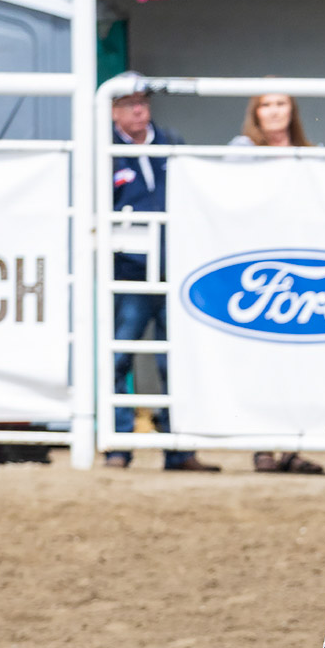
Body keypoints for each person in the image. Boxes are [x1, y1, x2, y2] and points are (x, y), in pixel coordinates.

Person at [108, 84, 215, 470]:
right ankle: (118, 445)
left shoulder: (170, 142)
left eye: (142, 103)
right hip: (129, 269)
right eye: (128, 104)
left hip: (177, 265)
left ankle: (179, 448)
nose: (138, 111)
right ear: (114, 111)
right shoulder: (103, 149)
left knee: (176, 357)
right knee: (119, 354)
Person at [229, 91, 325, 474]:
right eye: (265, 105)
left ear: (292, 110)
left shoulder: (311, 150)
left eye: (281, 104)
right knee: (261, 357)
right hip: (259, 268)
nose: (274, 112)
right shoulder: (241, 150)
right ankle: (263, 446)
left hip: (302, 267)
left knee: (300, 359)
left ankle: (294, 445)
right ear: (255, 112)